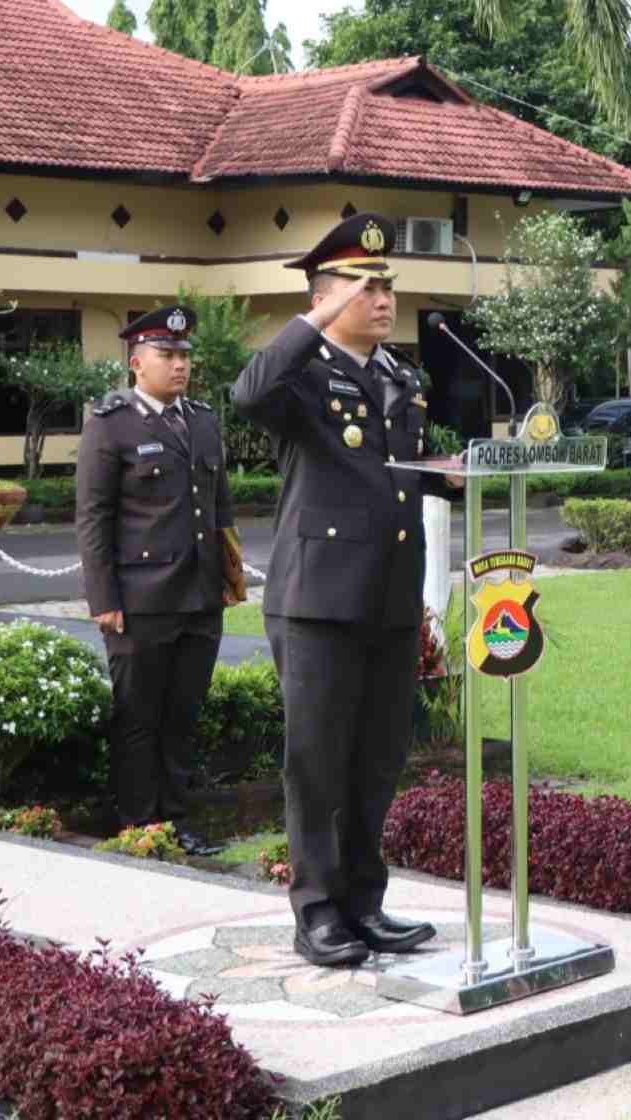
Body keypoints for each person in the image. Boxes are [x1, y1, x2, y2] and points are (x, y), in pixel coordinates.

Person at [232, 212, 451, 968]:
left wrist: (462, 473)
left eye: (388, 285)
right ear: (326, 298)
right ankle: (318, 912)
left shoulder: (398, 377)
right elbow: (250, 393)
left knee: (377, 759)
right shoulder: (303, 375)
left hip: (389, 596)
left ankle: (365, 902)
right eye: (366, 286)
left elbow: (405, 473)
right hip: (318, 599)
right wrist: (312, 319)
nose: (385, 299)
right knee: (319, 762)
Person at [76, 305, 244, 857]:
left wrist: (226, 576)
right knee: (138, 718)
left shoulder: (201, 419)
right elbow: (94, 517)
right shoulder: (110, 423)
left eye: (184, 357)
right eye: (167, 356)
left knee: (182, 718)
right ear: (136, 362)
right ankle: (135, 825)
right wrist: (104, 598)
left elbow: (219, 507)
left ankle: (175, 823)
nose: (179, 366)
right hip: (140, 600)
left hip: (199, 596)